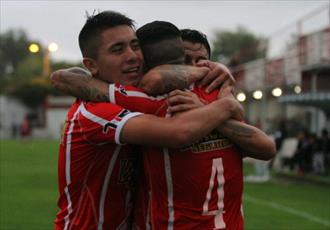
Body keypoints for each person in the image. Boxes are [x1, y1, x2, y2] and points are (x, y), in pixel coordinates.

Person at [52, 19, 275, 229]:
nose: (132, 56)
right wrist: (223, 104)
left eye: (135, 46)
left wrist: (210, 107)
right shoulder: (106, 107)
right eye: (118, 49)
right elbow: (172, 117)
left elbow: (265, 147)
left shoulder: (162, 99)